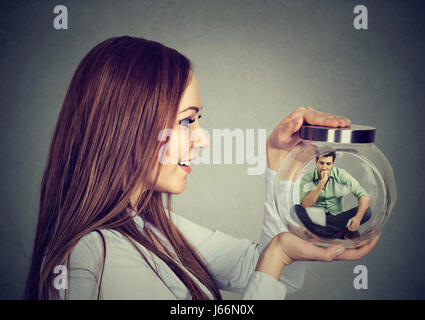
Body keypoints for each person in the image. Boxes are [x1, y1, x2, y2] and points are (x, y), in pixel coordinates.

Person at [24, 36, 380, 300]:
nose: (202, 139)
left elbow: (267, 275)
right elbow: (271, 263)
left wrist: (281, 164)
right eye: (186, 121)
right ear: (127, 126)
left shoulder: (154, 230)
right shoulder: (93, 254)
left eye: (198, 121)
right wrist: (278, 255)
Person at [295, 152, 372, 239]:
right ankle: (337, 232)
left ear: (333, 163)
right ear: (316, 161)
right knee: (295, 209)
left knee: (367, 212)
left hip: (337, 217)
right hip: (315, 217)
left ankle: (321, 231)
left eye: (328, 164)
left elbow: (364, 196)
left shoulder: (341, 174)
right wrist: (322, 182)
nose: (324, 167)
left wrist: (358, 218)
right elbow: (305, 205)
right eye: (321, 163)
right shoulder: (307, 178)